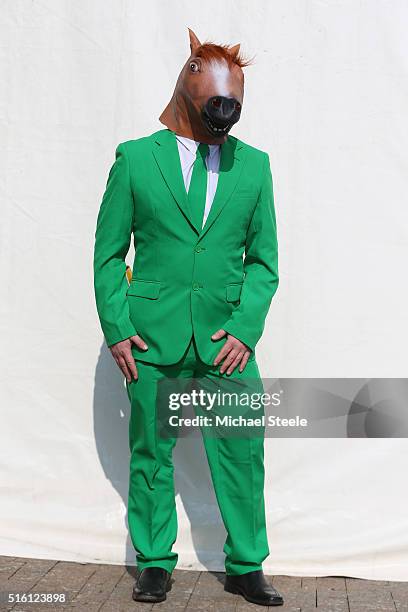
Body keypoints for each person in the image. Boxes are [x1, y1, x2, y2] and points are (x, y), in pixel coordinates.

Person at [93, 28, 282, 607]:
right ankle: (154, 562)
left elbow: (264, 263)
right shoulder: (134, 160)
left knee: (243, 451)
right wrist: (119, 327)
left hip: (227, 338)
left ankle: (247, 564)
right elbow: (107, 254)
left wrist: (246, 329)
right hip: (152, 336)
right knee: (151, 451)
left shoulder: (255, 167)